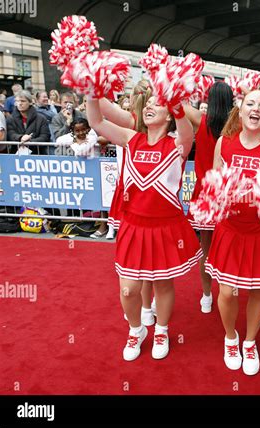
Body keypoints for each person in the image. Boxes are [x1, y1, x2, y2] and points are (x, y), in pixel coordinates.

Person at [87, 93, 202, 362]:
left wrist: (178, 108)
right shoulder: (131, 138)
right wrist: (91, 90)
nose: (149, 106)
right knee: (129, 289)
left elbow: (187, 131)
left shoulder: (177, 144)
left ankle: (161, 330)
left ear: (171, 113)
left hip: (165, 228)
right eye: (148, 103)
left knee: (163, 284)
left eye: (157, 103)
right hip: (133, 226)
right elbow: (96, 120)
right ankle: (136, 330)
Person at [204, 89, 260, 376]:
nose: (255, 109)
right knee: (227, 293)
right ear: (239, 111)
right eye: (250, 104)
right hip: (230, 230)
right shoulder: (223, 143)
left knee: (257, 291)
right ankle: (231, 337)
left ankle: (250, 342)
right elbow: (213, 186)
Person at [98, 80, 156, 325]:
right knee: (153, 256)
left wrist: (92, 82)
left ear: (133, 99)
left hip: (129, 189)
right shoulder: (156, 123)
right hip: (153, 193)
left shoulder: (130, 121)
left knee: (134, 254)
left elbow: (99, 113)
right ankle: (149, 305)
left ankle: (143, 306)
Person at [183, 81, 234, 314]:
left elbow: (178, 104)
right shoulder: (238, 128)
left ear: (210, 100)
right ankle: (228, 292)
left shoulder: (199, 121)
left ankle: (206, 296)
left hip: (204, 193)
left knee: (206, 249)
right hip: (229, 195)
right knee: (228, 249)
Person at [56, 118, 108, 238]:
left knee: (100, 199)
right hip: (83, 173)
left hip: (96, 170)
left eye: (83, 130)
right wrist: (74, 138)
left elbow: (81, 151)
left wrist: (74, 142)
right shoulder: (75, 136)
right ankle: (90, 224)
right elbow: (59, 140)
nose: (80, 133)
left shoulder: (93, 135)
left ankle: (104, 226)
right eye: (77, 131)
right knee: (87, 198)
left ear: (88, 129)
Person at [6, 90, 50, 155]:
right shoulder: (10, 118)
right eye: (17, 101)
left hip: (38, 156)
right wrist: (20, 137)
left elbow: (45, 136)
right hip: (16, 156)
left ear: (30, 102)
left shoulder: (41, 118)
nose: (20, 103)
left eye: (23, 101)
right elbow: (10, 134)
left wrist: (29, 141)